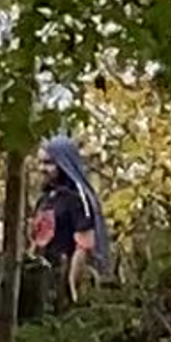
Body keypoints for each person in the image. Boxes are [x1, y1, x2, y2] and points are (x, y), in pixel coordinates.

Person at [26, 127, 109, 304]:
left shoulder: (77, 199)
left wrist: (72, 288)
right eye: (40, 163)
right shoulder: (45, 199)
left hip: (62, 278)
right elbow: (36, 241)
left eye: (49, 163)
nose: (42, 169)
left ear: (63, 164)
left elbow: (84, 245)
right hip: (40, 281)